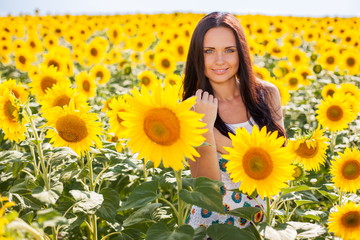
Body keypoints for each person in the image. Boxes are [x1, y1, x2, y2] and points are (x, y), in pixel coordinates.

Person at [182, 12, 285, 230]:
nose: (220, 60)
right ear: (197, 57)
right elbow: (207, 188)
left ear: (241, 53)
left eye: (229, 50)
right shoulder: (190, 109)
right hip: (212, 227)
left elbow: (280, 160)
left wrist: (224, 143)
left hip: (260, 224)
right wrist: (206, 127)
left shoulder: (267, 95)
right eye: (209, 51)